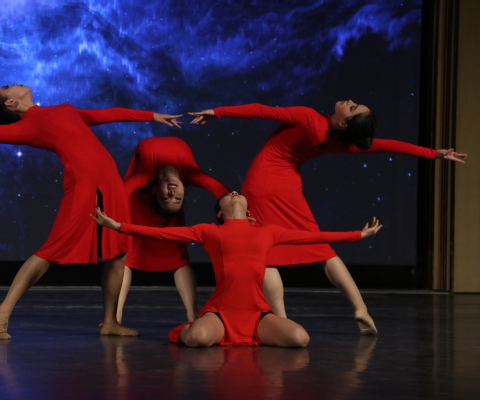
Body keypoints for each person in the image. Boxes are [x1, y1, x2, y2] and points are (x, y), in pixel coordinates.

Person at [0, 83, 182, 339]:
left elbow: (107, 114)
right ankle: (2, 311)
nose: (14, 83)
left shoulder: (64, 110)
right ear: (10, 102)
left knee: (118, 252)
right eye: (7, 87)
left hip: (111, 184)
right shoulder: (26, 127)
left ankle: (110, 322)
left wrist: (151, 115)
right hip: (84, 186)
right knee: (51, 251)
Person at [188, 101, 467, 335]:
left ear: (344, 123)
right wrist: (433, 154)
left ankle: (281, 319)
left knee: (269, 253)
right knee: (321, 249)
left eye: (352, 107)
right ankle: (360, 308)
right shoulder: (340, 140)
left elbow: (262, 110)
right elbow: (386, 145)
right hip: (288, 184)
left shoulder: (310, 118)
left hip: (262, 184)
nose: (349, 101)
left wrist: (218, 112)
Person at [91, 191, 382, 347]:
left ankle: (248, 335)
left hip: (257, 314)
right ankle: (187, 329)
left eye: (238, 192)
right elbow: (162, 233)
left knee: (300, 339)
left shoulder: (268, 232)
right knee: (197, 339)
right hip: (221, 313)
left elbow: (314, 237)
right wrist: (118, 226)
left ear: (249, 209)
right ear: (220, 212)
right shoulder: (210, 231)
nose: (234, 192)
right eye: (228, 194)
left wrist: (358, 235)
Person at [118, 136, 230, 323]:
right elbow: (220, 189)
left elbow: (120, 193)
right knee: (129, 255)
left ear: (155, 190)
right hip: (140, 206)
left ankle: (192, 315)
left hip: (137, 202)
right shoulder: (191, 174)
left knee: (175, 256)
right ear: (184, 189)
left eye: (166, 198)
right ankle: (116, 316)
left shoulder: (146, 174)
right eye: (177, 198)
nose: (172, 194)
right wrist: (236, 213)